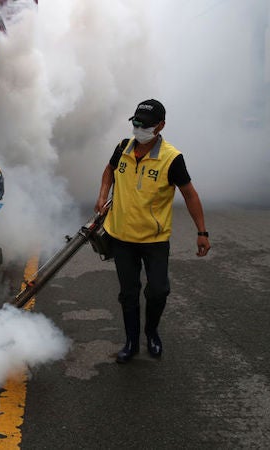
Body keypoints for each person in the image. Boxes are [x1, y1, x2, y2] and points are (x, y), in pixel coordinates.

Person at [94, 99, 210, 363]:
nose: (138, 128)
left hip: (154, 240)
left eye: (145, 125)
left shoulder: (171, 158)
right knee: (128, 293)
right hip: (121, 237)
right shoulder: (123, 148)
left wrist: (202, 232)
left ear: (161, 126)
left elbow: (190, 195)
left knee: (158, 291)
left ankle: (151, 332)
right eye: (135, 123)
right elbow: (109, 171)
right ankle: (132, 342)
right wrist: (102, 195)